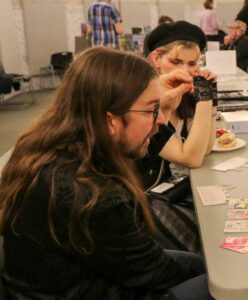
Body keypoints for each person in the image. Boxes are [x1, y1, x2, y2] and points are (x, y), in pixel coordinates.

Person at [0, 47, 213, 300]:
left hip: (58, 277)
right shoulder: (90, 194)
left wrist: (155, 99)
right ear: (111, 120)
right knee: (216, 286)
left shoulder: (52, 146)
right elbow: (154, 272)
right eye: (150, 111)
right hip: (76, 289)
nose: (158, 121)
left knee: (197, 265)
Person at [143, 21, 217, 188]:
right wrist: (205, 97)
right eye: (176, 62)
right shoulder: (145, 102)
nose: (185, 70)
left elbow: (206, 148)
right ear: (156, 59)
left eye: (192, 64)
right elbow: (191, 158)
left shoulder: (185, 98)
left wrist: (211, 99)